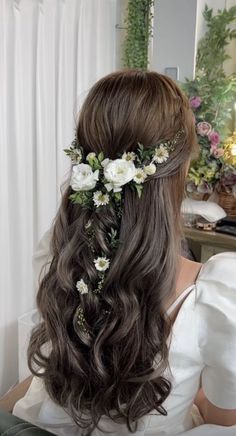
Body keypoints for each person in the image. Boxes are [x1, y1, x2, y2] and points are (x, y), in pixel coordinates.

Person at [2, 70, 236, 435]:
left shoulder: (61, 253)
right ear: (183, 168)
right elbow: (223, 417)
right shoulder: (217, 294)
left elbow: (43, 380)